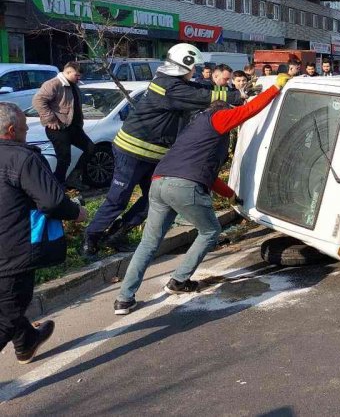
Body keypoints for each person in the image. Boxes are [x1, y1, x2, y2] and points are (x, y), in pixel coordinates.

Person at [114, 74, 292, 314]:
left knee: (148, 243)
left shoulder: (194, 129)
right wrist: (275, 89)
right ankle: (179, 281)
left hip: (159, 183)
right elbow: (248, 110)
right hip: (184, 186)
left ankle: (124, 299)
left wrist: (230, 195)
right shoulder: (217, 117)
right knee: (210, 231)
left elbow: (206, 174)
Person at [82, 44, 243, 259]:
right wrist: (236, 97)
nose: (194, 71)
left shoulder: (175, 83)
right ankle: (90, 239)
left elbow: (201, 89)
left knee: (155, 199)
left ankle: (117, 234)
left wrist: (236, 93)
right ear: (183, 66)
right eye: (192, 67)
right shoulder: (168, 87)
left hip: (153, 155)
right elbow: (201, 96)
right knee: (118, 198)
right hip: (131, 150)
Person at [0, 103, 86, 363]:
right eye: (25, 127)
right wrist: (76, 212)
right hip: (12, 249)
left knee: (6, 305)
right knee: (7, 315)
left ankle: (26, 341)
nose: (28, 132)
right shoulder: (22, 158)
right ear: (11, 130)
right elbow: (51, 201)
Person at [31, 61, 95, 184]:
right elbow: (38, 100)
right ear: (68, 72)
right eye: (76, 75)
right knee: (64, 159)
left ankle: (74, 177)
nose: (79, 78)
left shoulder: (73, 85)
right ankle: (57, 185)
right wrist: (50, 119)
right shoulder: (54, 84)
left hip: (73, 127)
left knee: (90, 149)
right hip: (58, 129)